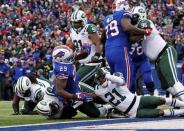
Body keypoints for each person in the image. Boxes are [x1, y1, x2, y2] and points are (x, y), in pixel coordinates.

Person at [130, 6, 184, 101]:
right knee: (167, 86)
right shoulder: (138, 27)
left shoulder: (144, 22)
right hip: (158, 59)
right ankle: (181, 102)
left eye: (133, 16)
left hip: (165, 52)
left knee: (174, 82)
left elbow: (139, 35)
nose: (132, 19)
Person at [89, 68, 184, 118]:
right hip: (133, 112)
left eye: (102, 78)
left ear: (107, 75)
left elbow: (120, 81)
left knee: (161, 100)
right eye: (99, 79)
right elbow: (91, 96)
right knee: (160, 112)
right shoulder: (99, 90)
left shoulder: (114, 80)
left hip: (139, 100)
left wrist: (106, 75)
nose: (101, 81)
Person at [102, 0, 152, 89]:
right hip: (120, 50)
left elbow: (103, 38)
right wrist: (144, 31)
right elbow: (127, 27)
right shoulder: (124, 13)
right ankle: (129, 102)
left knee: (117, 81)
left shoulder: (107, 18)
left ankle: (117, 101)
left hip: (108, 51)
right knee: (127, 83)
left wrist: (140, 35)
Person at [52, 45, 109, 118]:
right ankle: (109, 109)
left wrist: (83, 54)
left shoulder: (63, 62)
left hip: (76, 87)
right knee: (96, 114)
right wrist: (76, 96)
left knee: (102, 97)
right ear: (62, 60)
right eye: (69, 57)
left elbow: (75, 58)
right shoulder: (62, 69)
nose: (72, 57)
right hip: (71, 95)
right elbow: (59, 91)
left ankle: (109, 104)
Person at [66, 9, 102, 89]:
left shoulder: (88, 28)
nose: (75, 25)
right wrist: (67, 55)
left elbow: (98, 42)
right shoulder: (72, 31)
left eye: (77, 22)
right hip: (82, 63)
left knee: (75, 82)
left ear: (83, 21)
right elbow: (71, 47)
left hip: (92, 62)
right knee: (87, 86)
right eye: (73, 23)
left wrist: (97, 55)